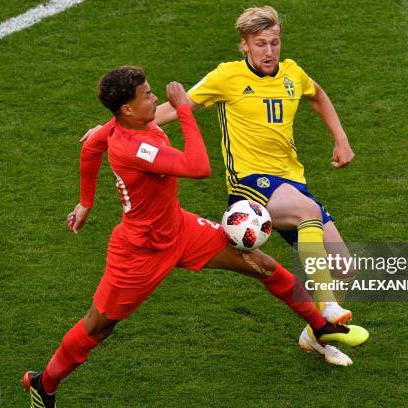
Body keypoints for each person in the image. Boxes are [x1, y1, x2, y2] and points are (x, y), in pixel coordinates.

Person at [23, 66, 361, 407]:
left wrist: (85, 202)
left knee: (262, 264)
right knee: (99, 327)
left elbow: (91, 147)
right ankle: (44, 382)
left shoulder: (120, 126)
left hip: (180, 229)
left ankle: (320, 326)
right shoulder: (135, 147)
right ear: (128, 109)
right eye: (147, 95)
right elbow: (199, 167)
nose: (154, 98)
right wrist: (184, 109)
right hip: (141, 252)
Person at [151, 6, 367, 357]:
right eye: (261, 44)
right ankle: (325, 307)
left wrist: (340, 139)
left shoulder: (292, 73)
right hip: (248, 186)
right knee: (307, 211)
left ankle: (316, 336)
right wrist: (114, 128)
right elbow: (174, 109)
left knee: (345, 267)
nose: (269, 51)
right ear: (245, 46)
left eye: (275, 43)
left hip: (292, 183)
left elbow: (318, 95)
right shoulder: (227, 77)